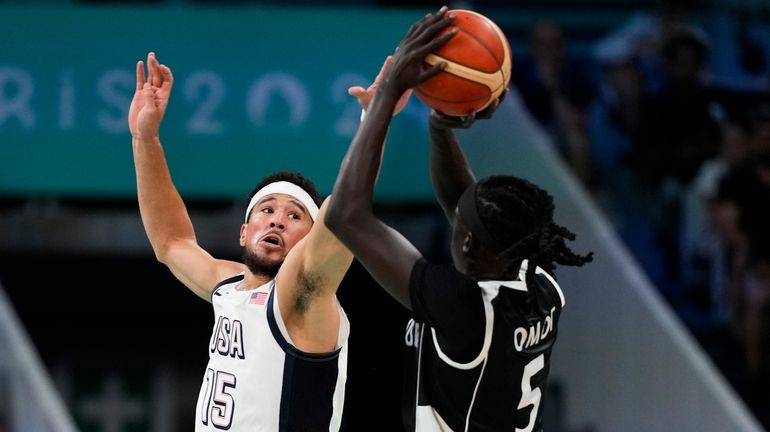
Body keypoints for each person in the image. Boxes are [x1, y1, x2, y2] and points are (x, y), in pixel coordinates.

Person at [326, 8, 593, 432]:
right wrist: (439, 125)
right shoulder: (538, 282)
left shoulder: (466, 310)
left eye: (461, 222)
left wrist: (385, 99)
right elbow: (463, 207)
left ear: (468, 243)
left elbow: (346, 216)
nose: (455, 209)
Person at [127, 52, 396, 431]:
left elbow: (347, 209)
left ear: (310, 239)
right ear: (244, 231)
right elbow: (170, 241)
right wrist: (145, 137)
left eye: (295, 215)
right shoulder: (229, 288)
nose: (278, 220)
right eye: (267, 210)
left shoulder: (304, 295)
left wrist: (375, 119)